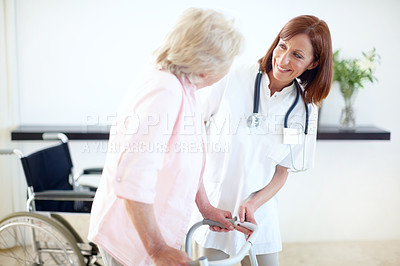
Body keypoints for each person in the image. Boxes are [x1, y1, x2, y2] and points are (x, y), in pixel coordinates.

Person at [88, 8, 244, 266]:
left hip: (155, 230)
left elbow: (189, 161)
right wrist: (157, 249)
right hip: (133, 239)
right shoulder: (164, 92)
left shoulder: (185, 86)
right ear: (206, 67)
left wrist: (205, 208)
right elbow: (133, 178)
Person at [193, 15, 333, 265]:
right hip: (213, 209)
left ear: (314, 64)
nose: (284, 59)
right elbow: (193, 132)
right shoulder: (232, 76)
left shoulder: (305, 108)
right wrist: (201, 200)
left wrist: (253, 203)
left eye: (298, 55)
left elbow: (282, 171)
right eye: (283, 46)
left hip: (258, 216)